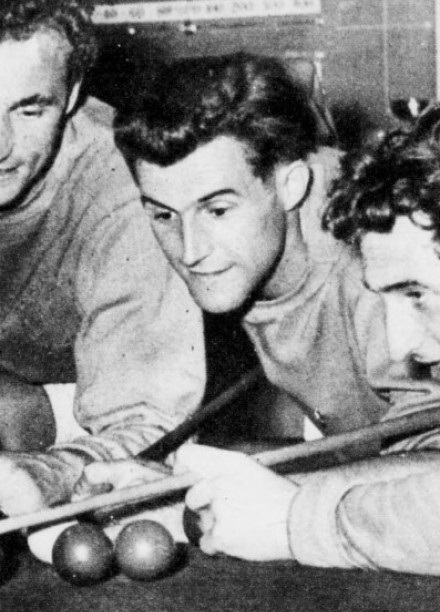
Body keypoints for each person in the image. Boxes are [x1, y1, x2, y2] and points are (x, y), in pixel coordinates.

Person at [76, 56, 440, 574]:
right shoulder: (240, 250)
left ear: (290, 184)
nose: (191, 250)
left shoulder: (380, 251)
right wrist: (188, 487)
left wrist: (246, 505)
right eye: (163, 215)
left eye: (218, 210)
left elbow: (431, 469)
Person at [0, 0, 205, 516]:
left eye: (29, 110)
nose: (0, 146)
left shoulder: (124, 187)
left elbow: (149, 421)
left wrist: (53, 470)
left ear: (71, 95)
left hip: (81, 413)